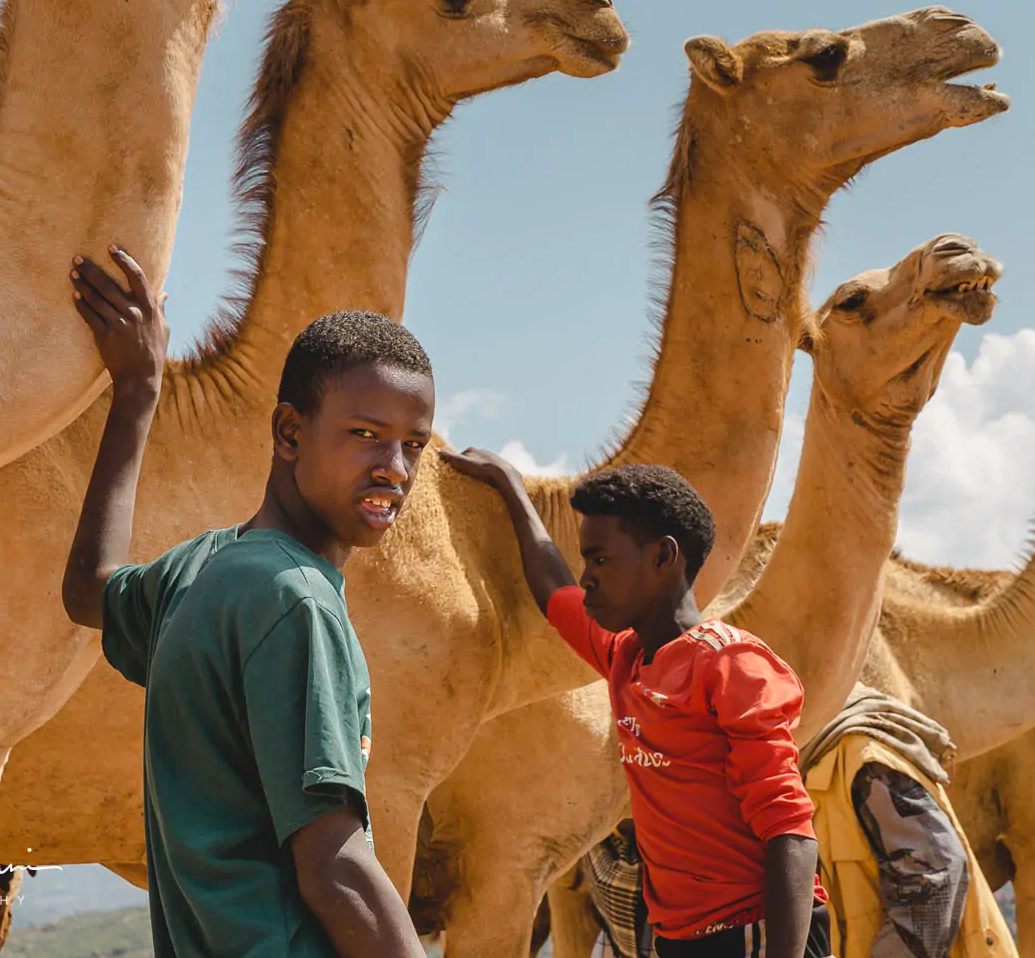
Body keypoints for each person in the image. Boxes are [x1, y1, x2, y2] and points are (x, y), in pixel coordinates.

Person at [58, 247, 432, 958]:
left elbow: (88, 587)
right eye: (365, 435)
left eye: (413, 444)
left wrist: (138, 390)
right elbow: (334, 865)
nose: (395, 468)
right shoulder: (295, 603)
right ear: (290, 432)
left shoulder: (202, 570)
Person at [444, 448, 832, 958]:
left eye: (601, 560)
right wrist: (509, 485)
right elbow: (554, 590)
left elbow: (791, 832)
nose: (587, 577)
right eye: (586, 560)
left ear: (663, 558)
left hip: (756, 932)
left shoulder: (731, 665)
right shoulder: (625, 656)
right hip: (677, 939)